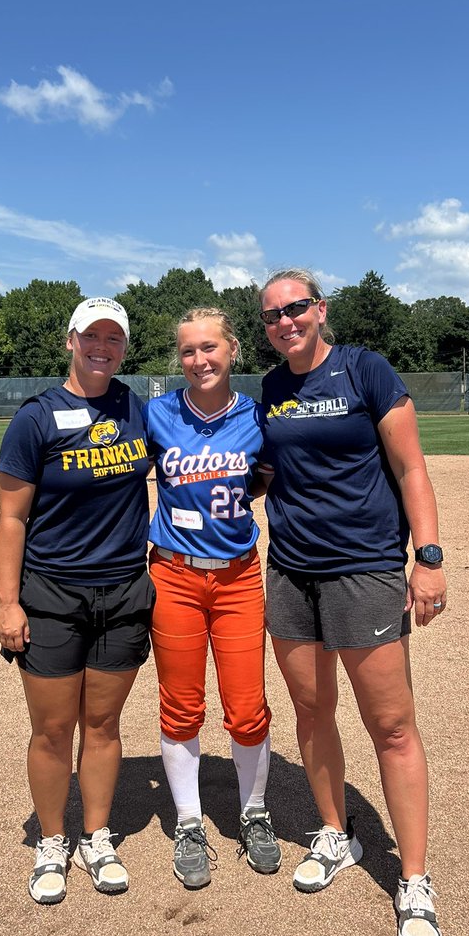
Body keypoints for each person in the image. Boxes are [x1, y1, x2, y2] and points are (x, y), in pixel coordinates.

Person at [257, 269, 447, 936]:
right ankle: (337, 833)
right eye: (272, 315)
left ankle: (415, 879)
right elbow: (268, 474)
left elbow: (411, 468)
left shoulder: (365, 370)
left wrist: (426, 556)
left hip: (364, 570)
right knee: (310, 710)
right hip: (290, 575)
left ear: (319, 310)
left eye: (296, 308)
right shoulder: (271, 391)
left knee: (391, 725)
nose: (285, 321)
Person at [0, 297, 153, 905]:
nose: (102, 348)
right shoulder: (35, 418)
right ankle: (53, 840)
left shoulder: (136, 408)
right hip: (53, 594)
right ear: (70, 341)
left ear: (123, 348)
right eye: (92, 337)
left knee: (104, 724)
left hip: (123, 591)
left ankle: (97, 835)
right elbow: (12, 518)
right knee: (53, 729)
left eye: (114, 339)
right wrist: (8, 604)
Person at [144, 307, 280, 888]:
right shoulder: (156, 414)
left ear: (232, 351)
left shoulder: (257, 416)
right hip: (173, 575)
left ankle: (253, 812)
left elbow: (265, 476)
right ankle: (189, 822)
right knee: (181, 704)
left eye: (209, 348)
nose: (199, 360)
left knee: (246, 707)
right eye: (188, 351)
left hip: (237, 577)